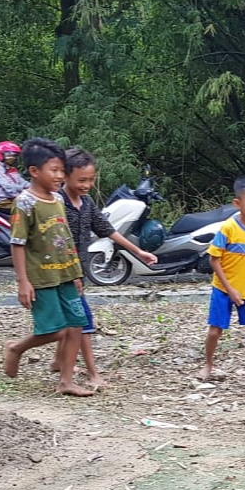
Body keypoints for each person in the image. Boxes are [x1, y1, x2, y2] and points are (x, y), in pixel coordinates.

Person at [53, 147, 159, 388]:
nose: (87, 185)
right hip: (62, 272)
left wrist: (138, 251)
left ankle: (59, 363)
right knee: (83, 322)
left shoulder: (87, 202)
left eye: (91, 180)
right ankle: (92, 374)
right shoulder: (56, 204)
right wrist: (71, 273)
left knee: (69, 322)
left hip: (76, 271)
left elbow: (107, 229)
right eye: (81, 180)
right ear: (65, 176)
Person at [2, 138, 95, 397]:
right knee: (54, 330)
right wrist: (23, 281)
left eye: (61, 171)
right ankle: (16, 348)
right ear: (34, 171)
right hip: (41, 278)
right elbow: (18, 243)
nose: (59, 176)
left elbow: (64, 237)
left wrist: (76, 272)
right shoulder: (24, 203)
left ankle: (66, 381)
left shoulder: (57, 199)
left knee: (76, 324)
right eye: (53, 170)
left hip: (66, 273)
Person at [198, 174, 245, 387]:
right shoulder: (228, 228)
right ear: (237, 203)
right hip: (224, 289)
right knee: (215, 330)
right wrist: (230, 289)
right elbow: (214, 260)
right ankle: (208, 364)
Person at [0, 141, 30, 213]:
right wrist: (25, 193)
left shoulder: (12, 170)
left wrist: (37, 187)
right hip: (1, 203)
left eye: (14, 155)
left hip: (12, 201)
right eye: (9, 155)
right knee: (27, 212)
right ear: (1, 155)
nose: (12, 157)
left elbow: (23, 182)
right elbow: (9, 188)